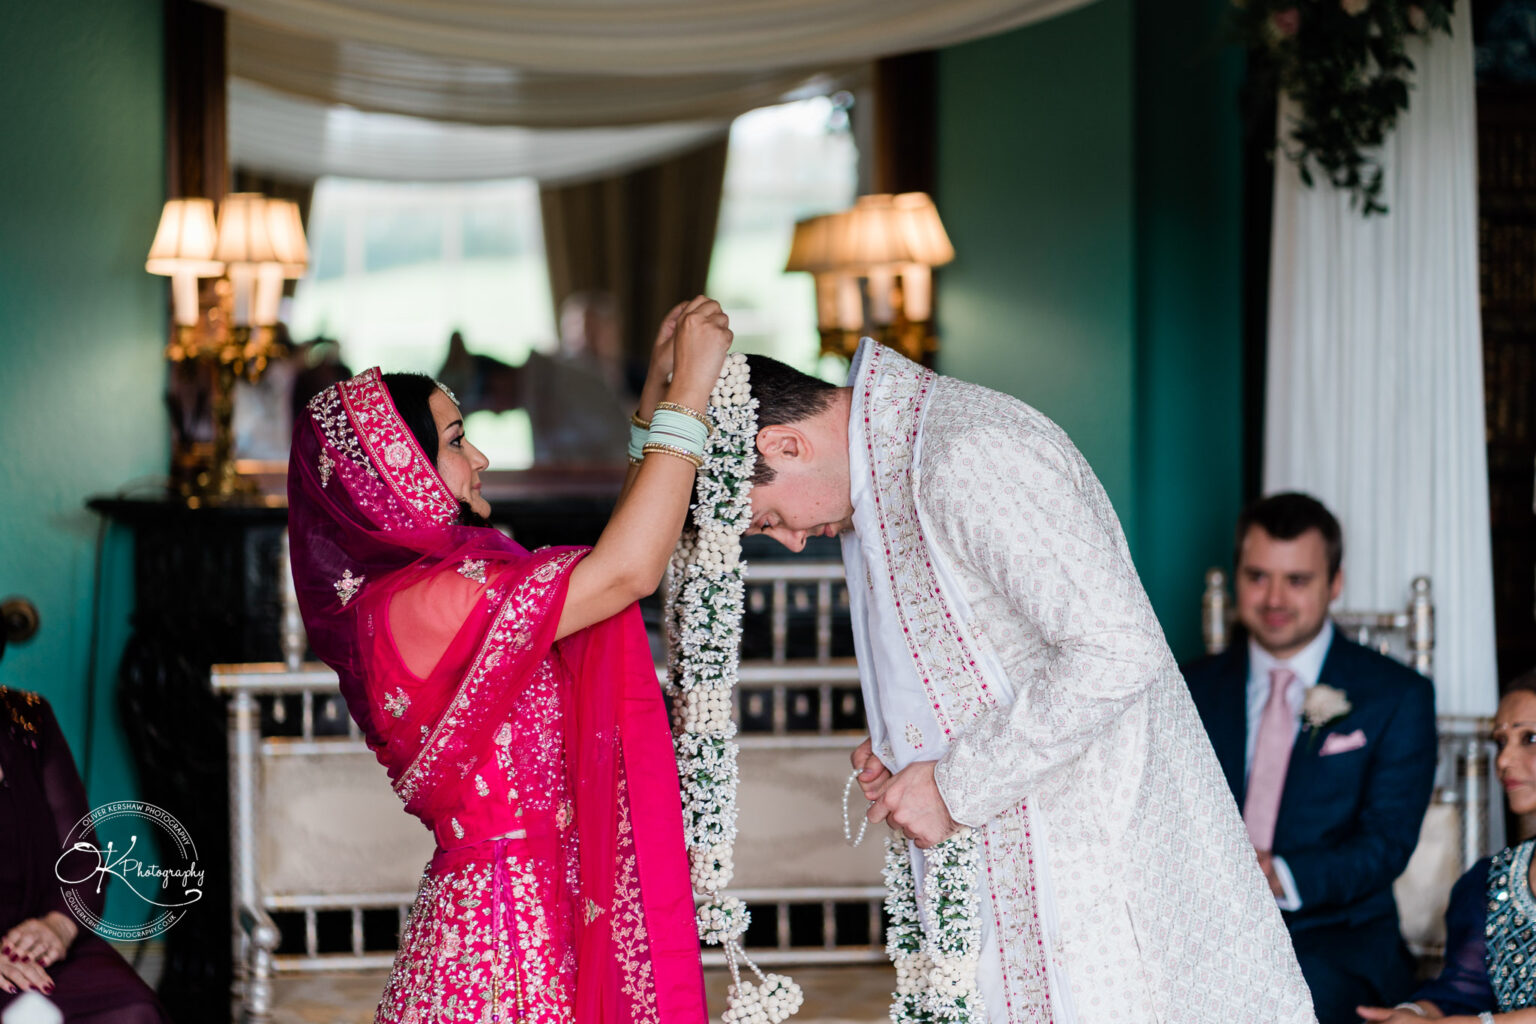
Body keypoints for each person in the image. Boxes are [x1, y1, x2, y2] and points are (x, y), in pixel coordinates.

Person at [741, 339, 1315, 1023]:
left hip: (1096, 878)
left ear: (784, 444)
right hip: (1025, 872)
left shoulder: (966, 452)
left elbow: (1116, 648)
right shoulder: (892, 470)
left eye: (769, 518)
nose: (793, 540)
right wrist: (906, 741)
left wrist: (953, 785)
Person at [287, 297, 731, 1024]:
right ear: (400, 468)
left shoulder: (444, 586)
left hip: (537, 912)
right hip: (501, 953)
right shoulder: (426, 601)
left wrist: (656, 398)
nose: (480, 458)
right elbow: (625, 573)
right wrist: (690, 398)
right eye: (457, 440)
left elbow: (606, 570)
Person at [1183, 493, 1437, 1024]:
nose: (1274, 597)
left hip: (1336, 942)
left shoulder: (1396, 695)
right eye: (1257, 576)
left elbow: (1387, 842)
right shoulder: (1188, 687)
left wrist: (1281, 876)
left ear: (1335, 583)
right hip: (1200, 932)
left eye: (1296, 580)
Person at [1357, 668, 1536, 1024]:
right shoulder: (1494, 881)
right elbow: (1461, 994)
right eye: (1500, 742)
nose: (1502, 761)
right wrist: (1412, 1015)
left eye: (1529, 738)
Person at [0, 687, 170, 1023]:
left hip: (41, 946)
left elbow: (83, 859)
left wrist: (58, 926)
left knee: (133, 1011)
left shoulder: (29, 716)